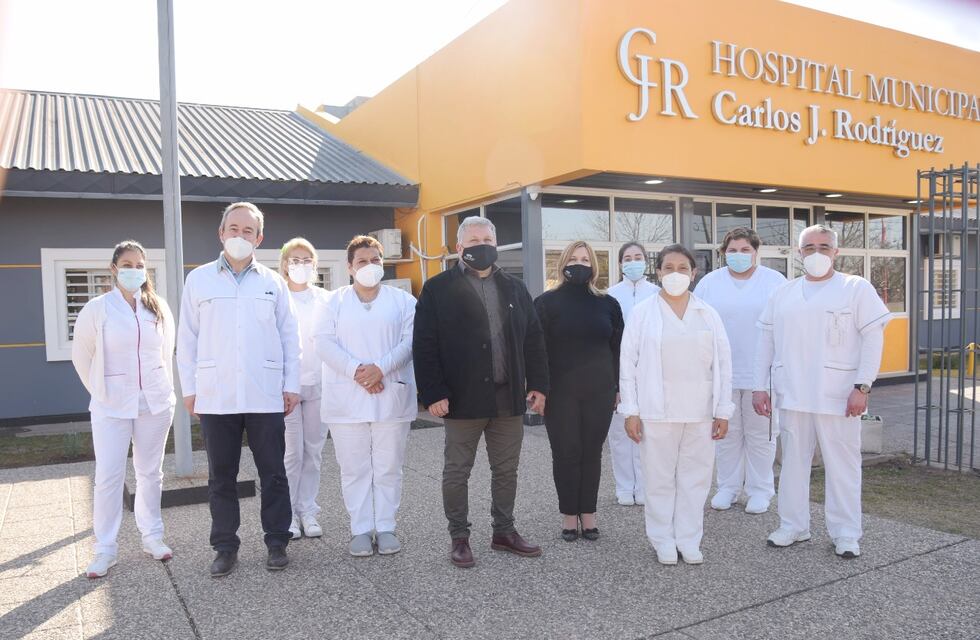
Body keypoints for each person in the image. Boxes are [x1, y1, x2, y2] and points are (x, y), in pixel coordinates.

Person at [413, 215, 549, 568]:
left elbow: (533, 340)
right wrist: (433, 393)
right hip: (461, 399)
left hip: (508, 399)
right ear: (459, 248)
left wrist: (537, 384)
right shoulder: (437, 289)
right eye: (473, 241)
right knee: (457, 471)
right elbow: (424, 345)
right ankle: (459, 537)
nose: (481, 246)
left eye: (487, 239)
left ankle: (504, 531)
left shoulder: (516, 289)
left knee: (507, 471)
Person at [177, 201, 301, 577]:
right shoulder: (198, 279)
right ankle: (225, 546)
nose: (240, 236)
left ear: (259, 238)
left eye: (248, 231)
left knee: (273, 473)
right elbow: (187, 339)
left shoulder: (273, 283)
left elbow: (289, 337)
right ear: (221, 233)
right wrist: (189, 389)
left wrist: (291, 385)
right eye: (233, 229)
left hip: (265, 393)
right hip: (216, 395)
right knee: (221, 476)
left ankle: (277, 541)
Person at [753, 224, 891, 559]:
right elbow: (765, 342)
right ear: (800, 254)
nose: (817, 253)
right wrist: (760, 386)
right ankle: (793, 526)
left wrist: (862, 386)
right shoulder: (784, 293)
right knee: (793, 464)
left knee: (842, 465)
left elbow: (873, 339)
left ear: (836, 252)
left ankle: (846, 533)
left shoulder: (855, 288)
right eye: (809, 247)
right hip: (794, 393)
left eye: (824, 247)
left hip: (839, 395)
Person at [619, 244, 733, 565]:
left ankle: (688, 538)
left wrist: (723, 410)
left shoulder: (707, 314)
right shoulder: (643, 313)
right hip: (656, 411)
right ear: (658, 272)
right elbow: (627, 364)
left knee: (695, 480)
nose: (675, 274)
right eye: (668, 268)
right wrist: (632, 410)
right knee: (658, 479)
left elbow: (723, 364)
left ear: (694, 273)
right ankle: (662, 539)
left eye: (683, 268)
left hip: (700, 412)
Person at [71, 240, 176, 578]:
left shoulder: (157, 307)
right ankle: (105, 549)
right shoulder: (97, 309)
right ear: (114, 268)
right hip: (111, 406)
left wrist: (165, 390)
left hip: (155, 404)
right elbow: (82, 357)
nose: (134, 271)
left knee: (150, 473)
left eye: (139, 265)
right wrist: (102, 392)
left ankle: (152, 536)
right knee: (108, 476)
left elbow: (167, 351)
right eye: (127, 264)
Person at [315, 235, 417, 556]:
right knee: (355, 468)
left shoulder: (404, 302)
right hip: (347, 396)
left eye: (375, 260)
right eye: (362, 261)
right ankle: (360, 528)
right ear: (349, 267)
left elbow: (409, 341)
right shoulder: (332, 302)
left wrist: (380, 369)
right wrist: (359, 370)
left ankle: (385, 526)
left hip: (391, 394)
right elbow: (323, 343)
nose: (369, 266)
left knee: (388, 466)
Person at [535, 241, 623, 541]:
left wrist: (618, 387)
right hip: (559, 393)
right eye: (573, 258)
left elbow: (617, 349)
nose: (579, 263)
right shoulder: (546, 303)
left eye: (585, 259)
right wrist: (538, 389)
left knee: (592, 453)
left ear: (594, 266)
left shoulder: (608, 304)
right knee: (566, 452)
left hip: (599, 390)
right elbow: (536, 350)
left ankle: (589, 513)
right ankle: (569, 516)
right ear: (562, 263)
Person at [694, 228, 786, 514]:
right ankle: (728, 487)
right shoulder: (710, 283)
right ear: (723, 253)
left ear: (756, 251)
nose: (738, 255)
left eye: (745, 249)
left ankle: (760, 490)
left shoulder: (775, 282)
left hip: (762, 373)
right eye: (732, 250)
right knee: (727, 433)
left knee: (762, 434)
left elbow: (785, 327)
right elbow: (697, 326)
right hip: (722, 372)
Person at [279, 238, 332, 540]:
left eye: (306, 260)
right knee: (291, 454)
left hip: (319, 385)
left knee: (313, 451)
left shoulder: (326, 299)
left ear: (314, 264)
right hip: (288, 388)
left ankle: (307, 510)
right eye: (295, 260)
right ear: (285, 264)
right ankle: (287, 514)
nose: (301, 265)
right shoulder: (277, 295)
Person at [606, 241, 659, 506]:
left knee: (646, 432)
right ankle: (625, 486)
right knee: (619, 434)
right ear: (620, 264)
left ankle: (645, 484)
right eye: (627, 258)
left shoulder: (658, 293)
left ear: (646, 262)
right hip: (618, 371)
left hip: (650, 371)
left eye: (638, 257)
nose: (633, 261)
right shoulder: (609, 295)